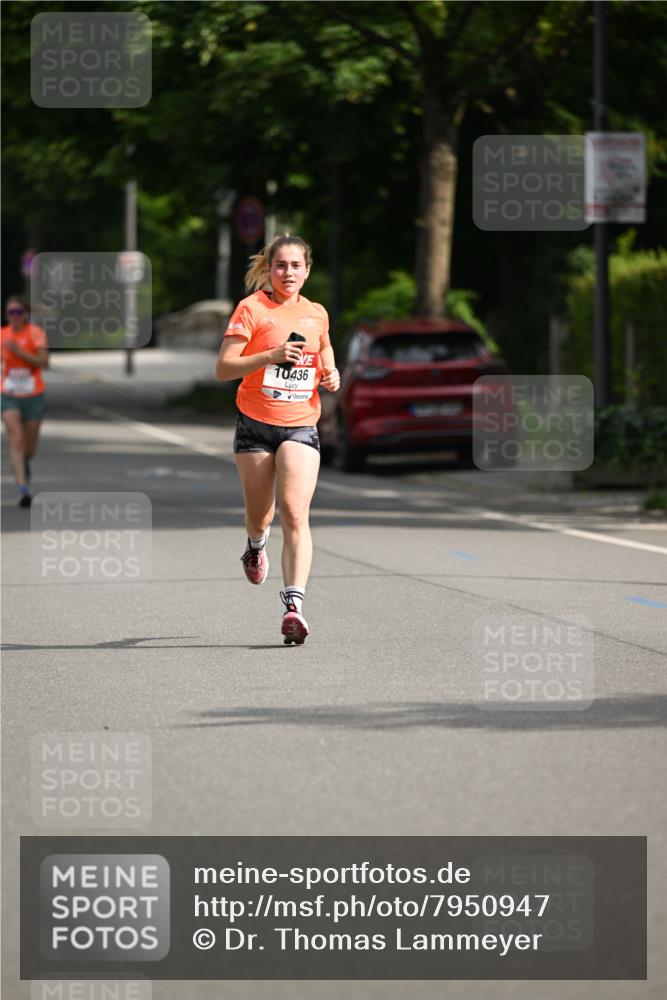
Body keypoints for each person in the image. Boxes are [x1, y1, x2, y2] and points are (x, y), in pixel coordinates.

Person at [215, 234, 340, 645]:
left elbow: (324, 351)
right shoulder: (251, 309)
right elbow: (224, 368)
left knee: (294, 512)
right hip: (255, 424)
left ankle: (294, 606)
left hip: (301, 424)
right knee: (261, 515)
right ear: (269, 269)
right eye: (280, 265)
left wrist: (331, 372)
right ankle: (255, 545)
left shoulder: (316, 313)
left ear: (308, 270)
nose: (288, 273)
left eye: (296, 266)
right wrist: (269, 356)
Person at [1, 296, 49, 508]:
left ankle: (25, 463)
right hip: (9, 394)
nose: (14, 316)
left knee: (29, 449)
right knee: (17, 439)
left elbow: (44, 362)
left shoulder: (36, 333)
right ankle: (23, 490)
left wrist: (19, 352)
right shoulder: (2, 335)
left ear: (25, 313)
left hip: (33, 395)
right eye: (10, 312)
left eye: (18, 312)